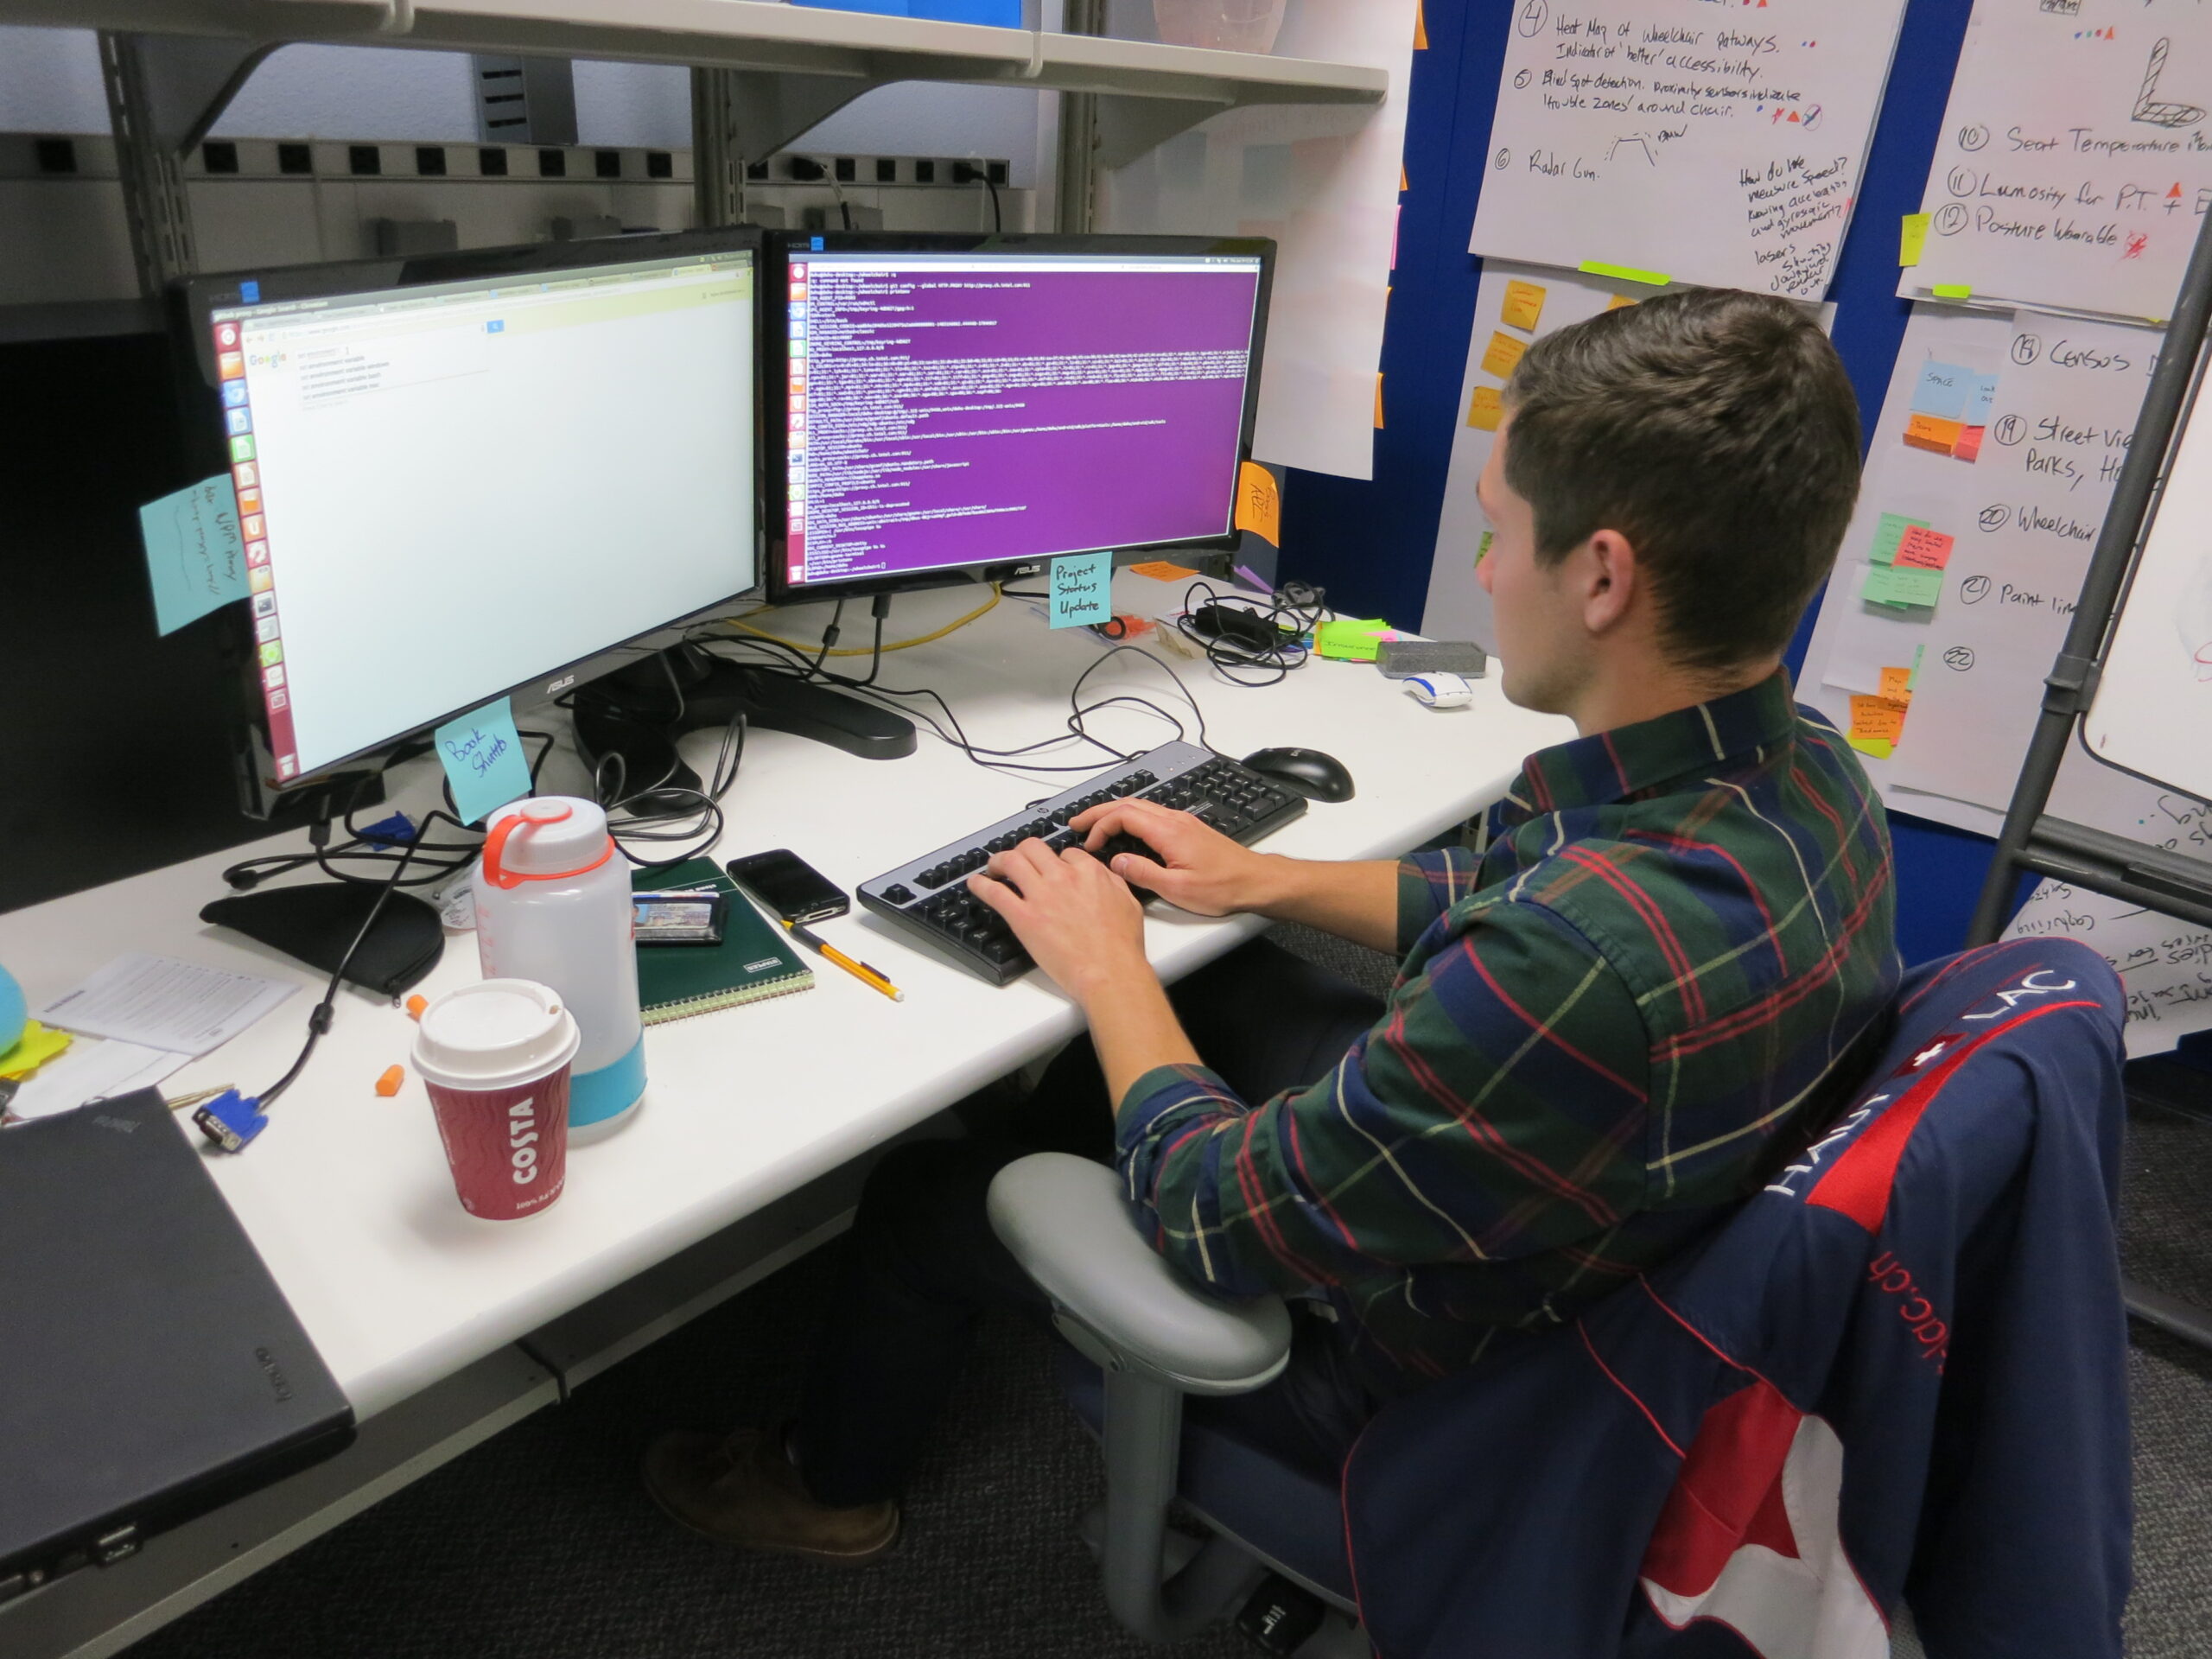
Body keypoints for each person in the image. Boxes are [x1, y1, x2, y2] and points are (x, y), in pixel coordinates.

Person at [641, 288, 1898, 1563]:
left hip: (1416, 1393)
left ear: (1604, 575)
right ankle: (1061, 1204)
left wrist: (1111, 965)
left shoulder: (1569, 972)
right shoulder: (1809, 779)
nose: (1482, 572)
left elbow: (1221, 1217)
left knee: (926, 1192)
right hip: (1595, 1208)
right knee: (1208, 986)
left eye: (1500, 533)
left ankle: (828, 1484)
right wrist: (1255, 880)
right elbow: (1501, 900)